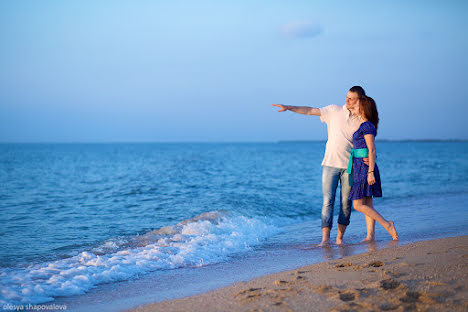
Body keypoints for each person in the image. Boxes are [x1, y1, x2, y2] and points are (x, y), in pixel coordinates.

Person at [272, 86, 366, 246]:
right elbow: (310, 111)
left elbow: (365, 143)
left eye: (351, 98)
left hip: (350, 167)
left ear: (360, 100)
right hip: (330, 164)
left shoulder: (362, 120)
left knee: (346, 204)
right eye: (347, 97)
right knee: (328, 201)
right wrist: (289, 107)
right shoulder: (333, 111)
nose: (347, 100)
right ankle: (325, 240)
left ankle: (339, 239)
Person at [348, 96, 398, 241]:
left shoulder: (367, 126)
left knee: (357, 204)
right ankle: (370, 235)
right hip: (359, 165)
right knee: (368, 202)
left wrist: (370, 172)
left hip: (364, 168)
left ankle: (387, 224)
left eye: (357, 104)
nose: (354, 105)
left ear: (363, 108)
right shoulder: (364, 124)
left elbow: (372, 149)